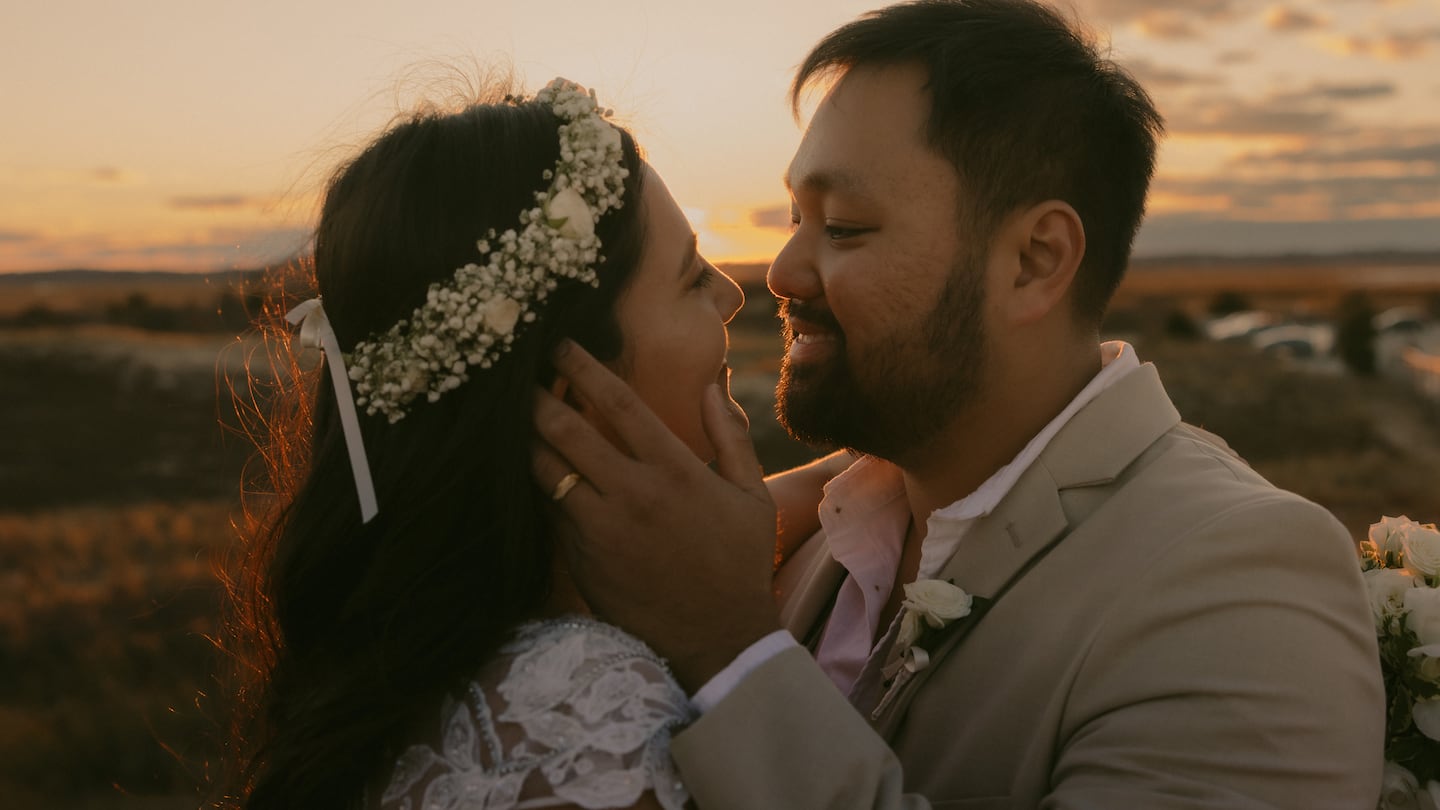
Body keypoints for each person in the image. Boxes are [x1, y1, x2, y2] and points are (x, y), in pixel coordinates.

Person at [531, 1, 1387, 807]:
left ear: (1034, 261)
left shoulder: (1239, 579)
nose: (781, 275)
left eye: (846, 228)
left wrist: (726, 648)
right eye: (796, 217)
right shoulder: (813, 529)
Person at [219, 77, 841, 810]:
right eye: (690, 277)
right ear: (571, 398)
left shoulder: (420, 644)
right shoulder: (580, 705)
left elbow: (798, 498)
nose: (734, 295)